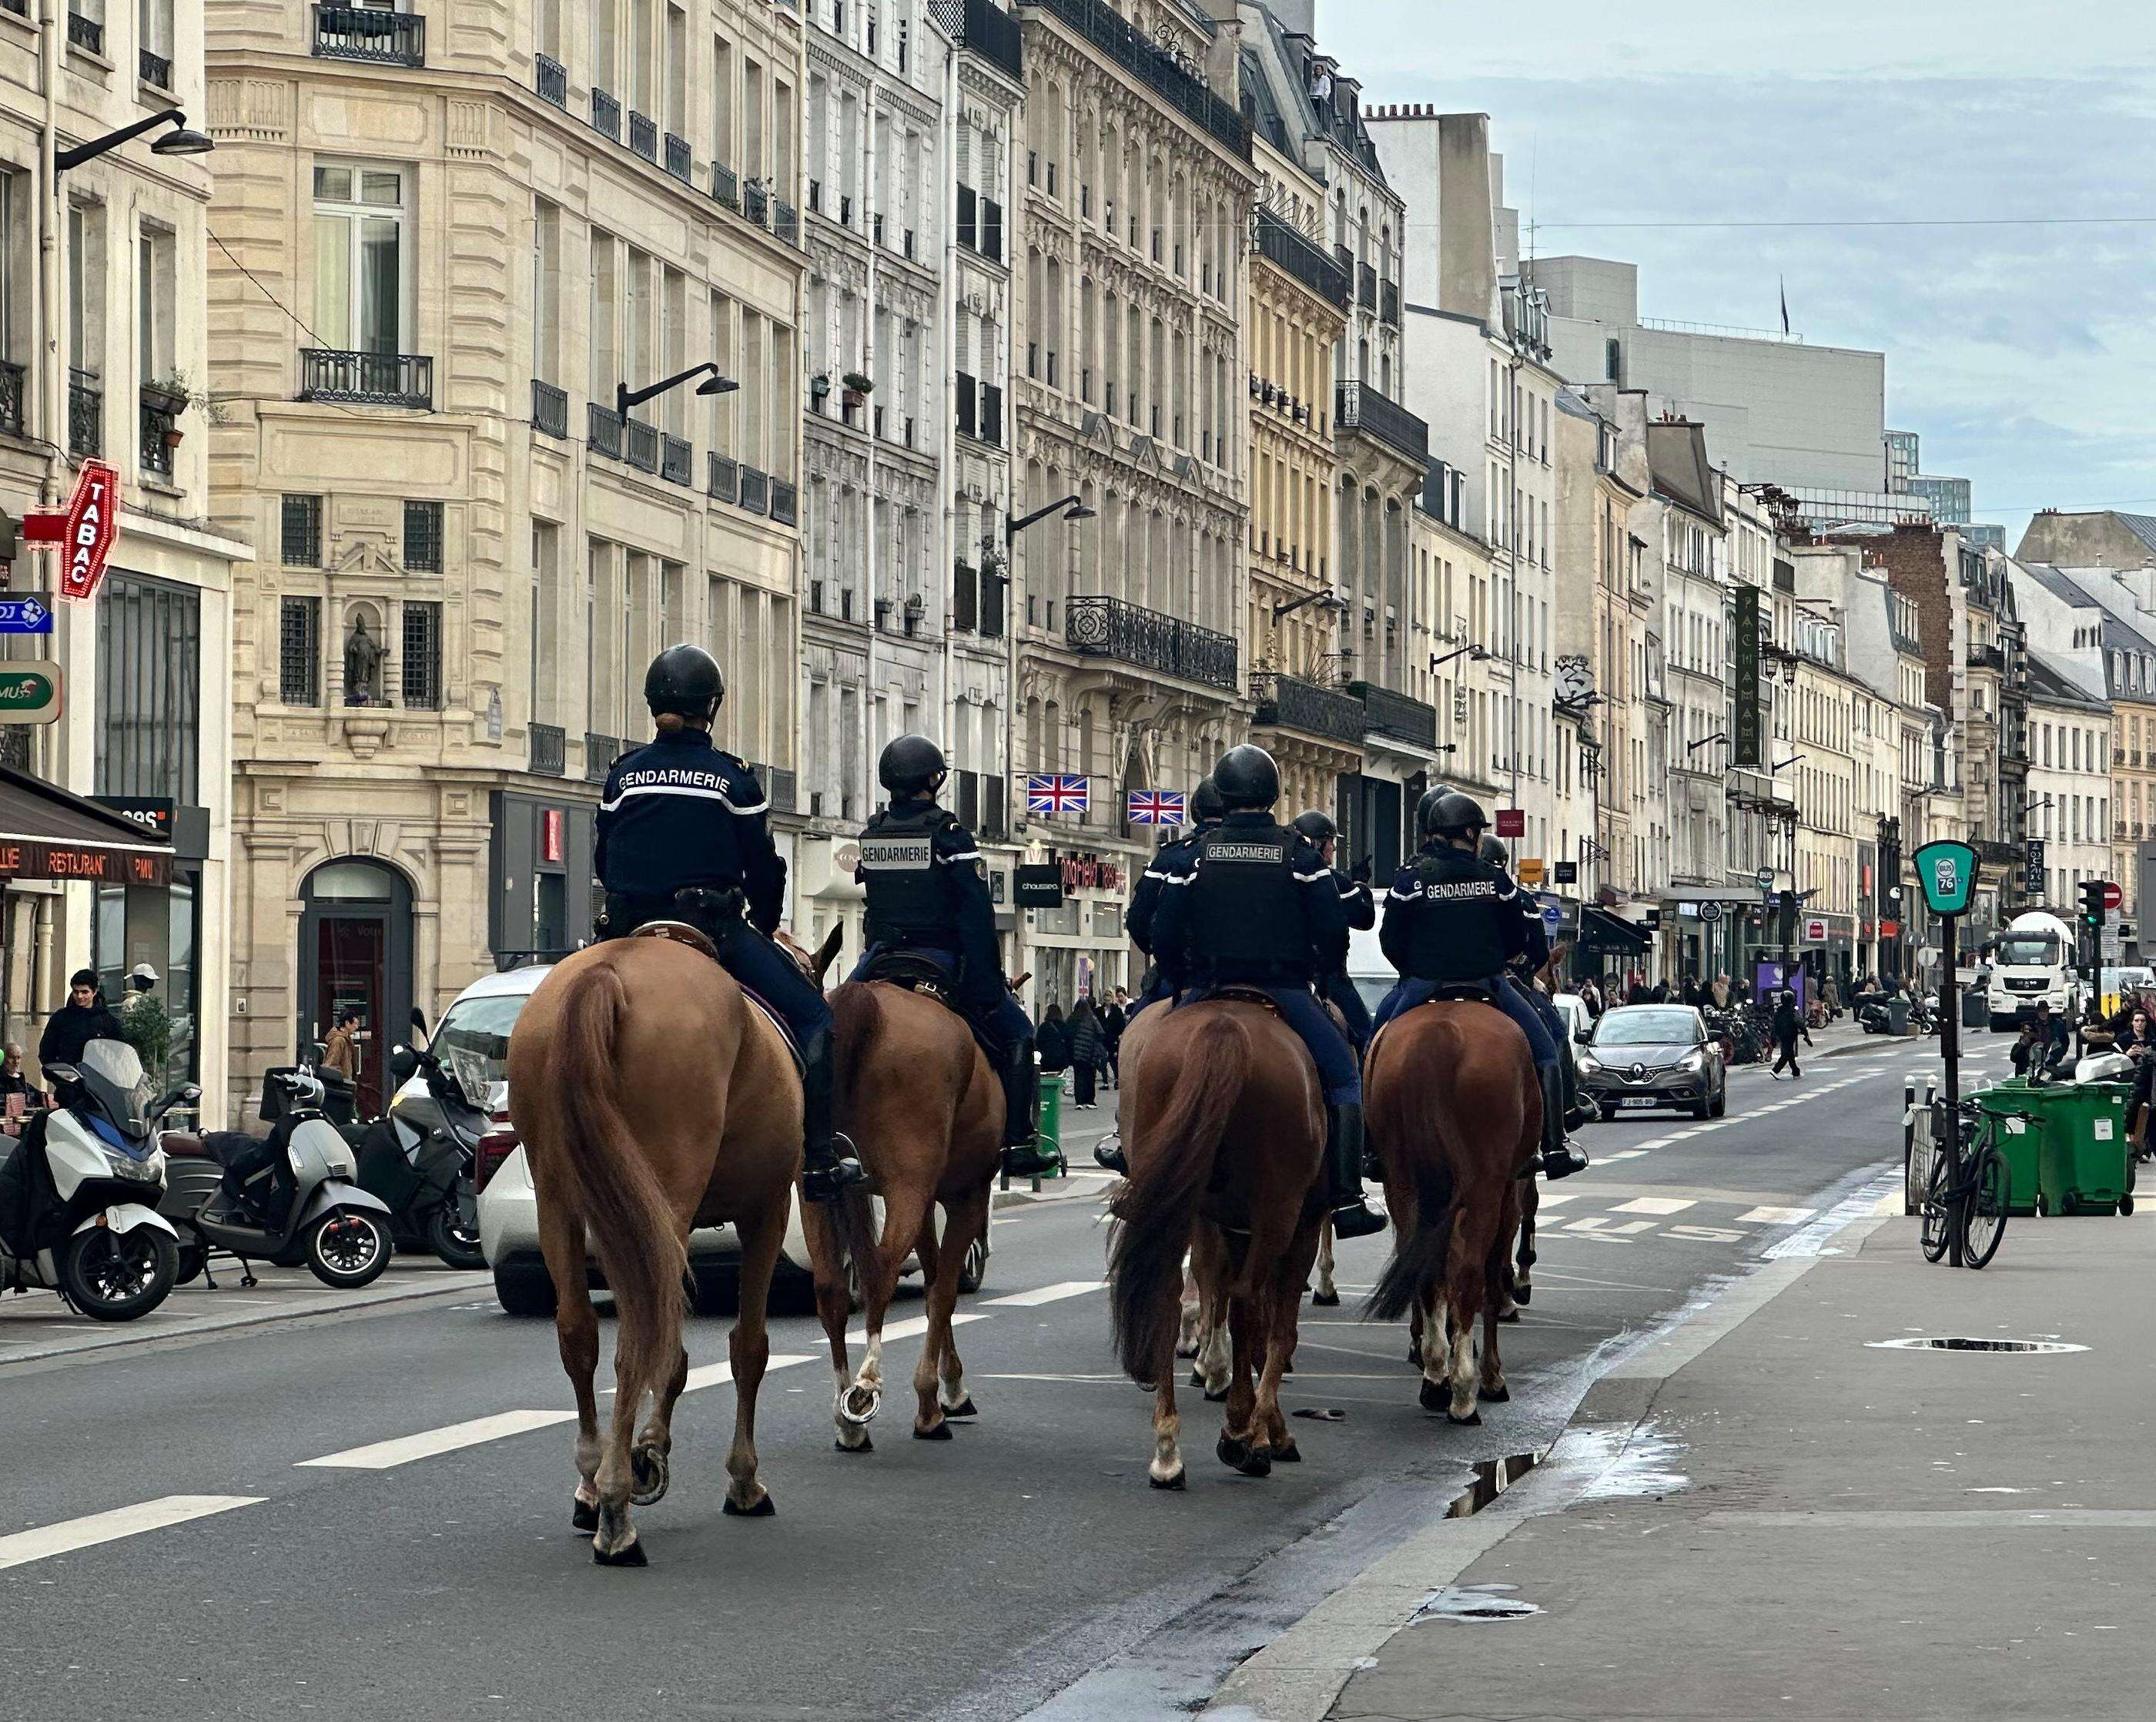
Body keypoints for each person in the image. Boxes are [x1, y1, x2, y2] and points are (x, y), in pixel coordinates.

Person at [596, 645, 862, 1201]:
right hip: (709, 928)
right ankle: (818, 1161)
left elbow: (603, 859)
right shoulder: (732, 779)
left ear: (653, 705)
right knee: (816, 1019)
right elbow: (763, 869)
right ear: (710, 707)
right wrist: (763, 923)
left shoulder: (623, 776)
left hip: (626, 929)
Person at [1147, 743, 1381, 1238]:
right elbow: (1332, 926)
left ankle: (1138, 1165)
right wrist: (1319, 972)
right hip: (1284, 988)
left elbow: (1163, 930)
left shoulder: (1193, 856)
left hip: (1209, 986)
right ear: (1273, 795)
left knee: (1147, 1061)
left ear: (1223, 794)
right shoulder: (1298, 854)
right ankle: (1346, 1195)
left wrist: (1182, 979)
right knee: (1343, 1076)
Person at [849, 734, 1046, 1173]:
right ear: (933, 780)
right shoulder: (950, 836)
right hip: (940, 954)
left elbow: (872, 908)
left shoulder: (872, 834)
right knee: (1019, 1035)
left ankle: (825, 1139)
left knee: (832, 1024)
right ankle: (1018, 1142)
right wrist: (987, 985)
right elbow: (974, 917)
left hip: (881, 956)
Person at [1373, 799, 1586, 1179]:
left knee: (1374, 1047)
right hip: (1488, 981)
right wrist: (1492, 962)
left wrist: (1415, 971)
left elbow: (1390, 939)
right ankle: (1555, 1143)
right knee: (1545, 1050)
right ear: (1471, 834)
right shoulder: (1495, 879)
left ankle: (1370, 1148)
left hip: (1424, 984)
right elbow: (1516, 937)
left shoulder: (1412, 878)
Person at [1126, 776, 1227, 1018]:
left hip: (1187, 974)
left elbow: (1139, 920)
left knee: (1136, 1032)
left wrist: (1168, 960)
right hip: (1261, 977)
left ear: (1196, 811)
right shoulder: (1262, 853)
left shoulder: (1172, 857)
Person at [1291, 808, 1376, 1054]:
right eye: (1330, 842)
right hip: (1328, 978)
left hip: (1284, 974)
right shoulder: (1333, 879)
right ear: (1317, 843)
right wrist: (1360, 885)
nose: (1333, 848)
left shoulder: (1282, 875)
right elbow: (1364, 918)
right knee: (1368, 1038)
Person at [38, 970, 123, 1080]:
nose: (79, 996)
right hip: (68, 1084)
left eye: (84, 992)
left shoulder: (108, 1022)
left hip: (100, 1085)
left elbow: (118, 1054)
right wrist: (59, 1075)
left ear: (94, 992)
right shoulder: (61, 1018)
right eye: (75, 991)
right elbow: (46, 1052)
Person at [1067, 997, 1106, 1109]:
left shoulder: (1073, 1018)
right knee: (1090, 1076)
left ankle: (1079, 1101)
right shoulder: (1092, 1019)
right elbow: (1100, 1033)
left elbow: (1067, 1034)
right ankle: (1090, 1100)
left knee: (1079, 1077)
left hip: (1077, 1054)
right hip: (1090, 1053)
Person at [1769, 987, 1811, 1078]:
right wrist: (1805, 1034)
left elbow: (1774, 1024)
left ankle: (1795, 1072)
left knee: (1789, 1053)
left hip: (1782, 1034)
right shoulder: (1792, 1011)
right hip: (1791, 1033)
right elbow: (1800, 1023)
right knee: (1786, 1054)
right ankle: (1775, 1070)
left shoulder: (1778, 1011)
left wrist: (1774, 1035)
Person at [321, 1009, 362, 1082]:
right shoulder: (339, 1040)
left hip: (346, 1082)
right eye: (355, 1024)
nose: (357, 1027)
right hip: (340, 1085)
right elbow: (331, 1065)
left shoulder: (347, 1039)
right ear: (347, 1023)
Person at [1101, 988, 1128, 1087]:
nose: (1107, 1003)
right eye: (1105, 1000)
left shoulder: (1117, 1011)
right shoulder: (1099, 1011)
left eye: (1109, 1000)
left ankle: (1117, 1079)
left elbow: (1121, 1025)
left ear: (1112, 1000)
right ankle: (1105, 1082)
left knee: (1114, 1060)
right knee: (1102, 1060)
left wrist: (1120, 1035)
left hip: (1113, 1039)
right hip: (1102, 1039)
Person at [1036, 1003, 1071, 1075]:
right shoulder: (1064, 1026)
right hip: (1061, 1060)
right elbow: (1069, 1043)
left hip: (1046, 1060)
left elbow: (1038, 1043)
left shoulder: (1044, 1027)